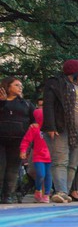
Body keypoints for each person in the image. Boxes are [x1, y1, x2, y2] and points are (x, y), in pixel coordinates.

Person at [42, 60, 78, 204]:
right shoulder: (56, 84)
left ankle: (65, 192)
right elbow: (48, 105)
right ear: (76, 73)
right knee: (60, 161)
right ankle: (60, 191)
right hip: (60, 129)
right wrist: (50, 126)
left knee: (73, 164)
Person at [0, 76, 35, 204]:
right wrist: (2, 102)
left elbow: (35, 120)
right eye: (16, 85)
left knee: (13, 169)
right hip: (1, 140)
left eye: (21, 85)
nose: (20, 87)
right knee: (1, 167)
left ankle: (8, 195)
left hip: (18, 141)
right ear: (7, 87)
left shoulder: (26, 104)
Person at [19, 108, 50, 203]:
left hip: (50, 156)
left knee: (48, 175)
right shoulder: (34, 128)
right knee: (41, 174)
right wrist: (23, 150)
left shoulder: (51, 128)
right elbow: (26, 140)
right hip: (38, 156)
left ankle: (46, 194)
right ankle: (38, 190)